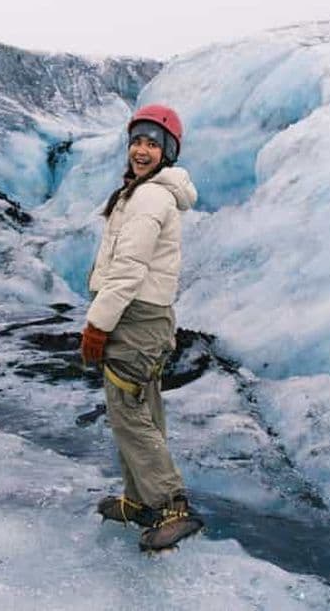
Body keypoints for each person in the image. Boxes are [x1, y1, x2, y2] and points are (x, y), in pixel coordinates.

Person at [80, 104, 204, 552]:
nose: (142, 149)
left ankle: (172, 506)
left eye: (154, 143)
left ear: (167, 152)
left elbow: (129, 271)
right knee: (140, 407)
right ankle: (139, 501)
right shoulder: (141, 191)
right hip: (141, 316)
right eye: (138, 140)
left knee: (129, 412)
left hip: (134, 316)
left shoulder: (150, 197)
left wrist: (97, 326)